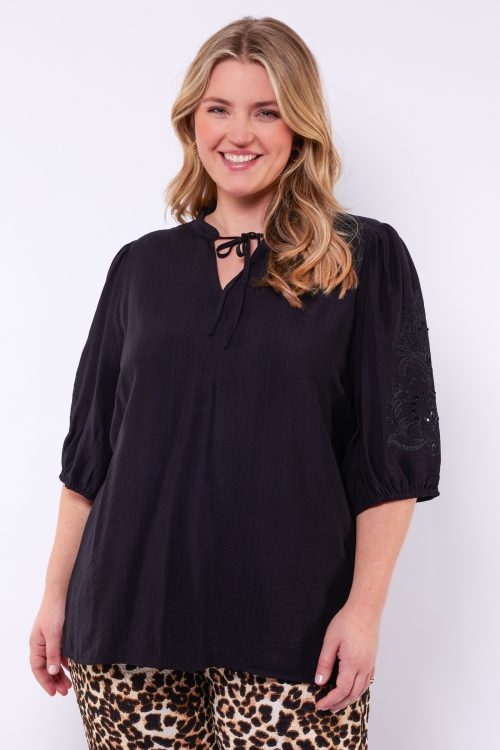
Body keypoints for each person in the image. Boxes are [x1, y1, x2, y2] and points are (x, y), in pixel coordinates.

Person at [29, 16, 441, 750]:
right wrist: (55, 594)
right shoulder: (140, 267)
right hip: (127, 624)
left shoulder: (364, 258)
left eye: (267, 111)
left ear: (300, 126)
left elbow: (393, 453)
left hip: (294, 628)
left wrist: (365, 610)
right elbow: (91, 455)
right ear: (193, 121)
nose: (239, 133)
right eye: (219, 108)